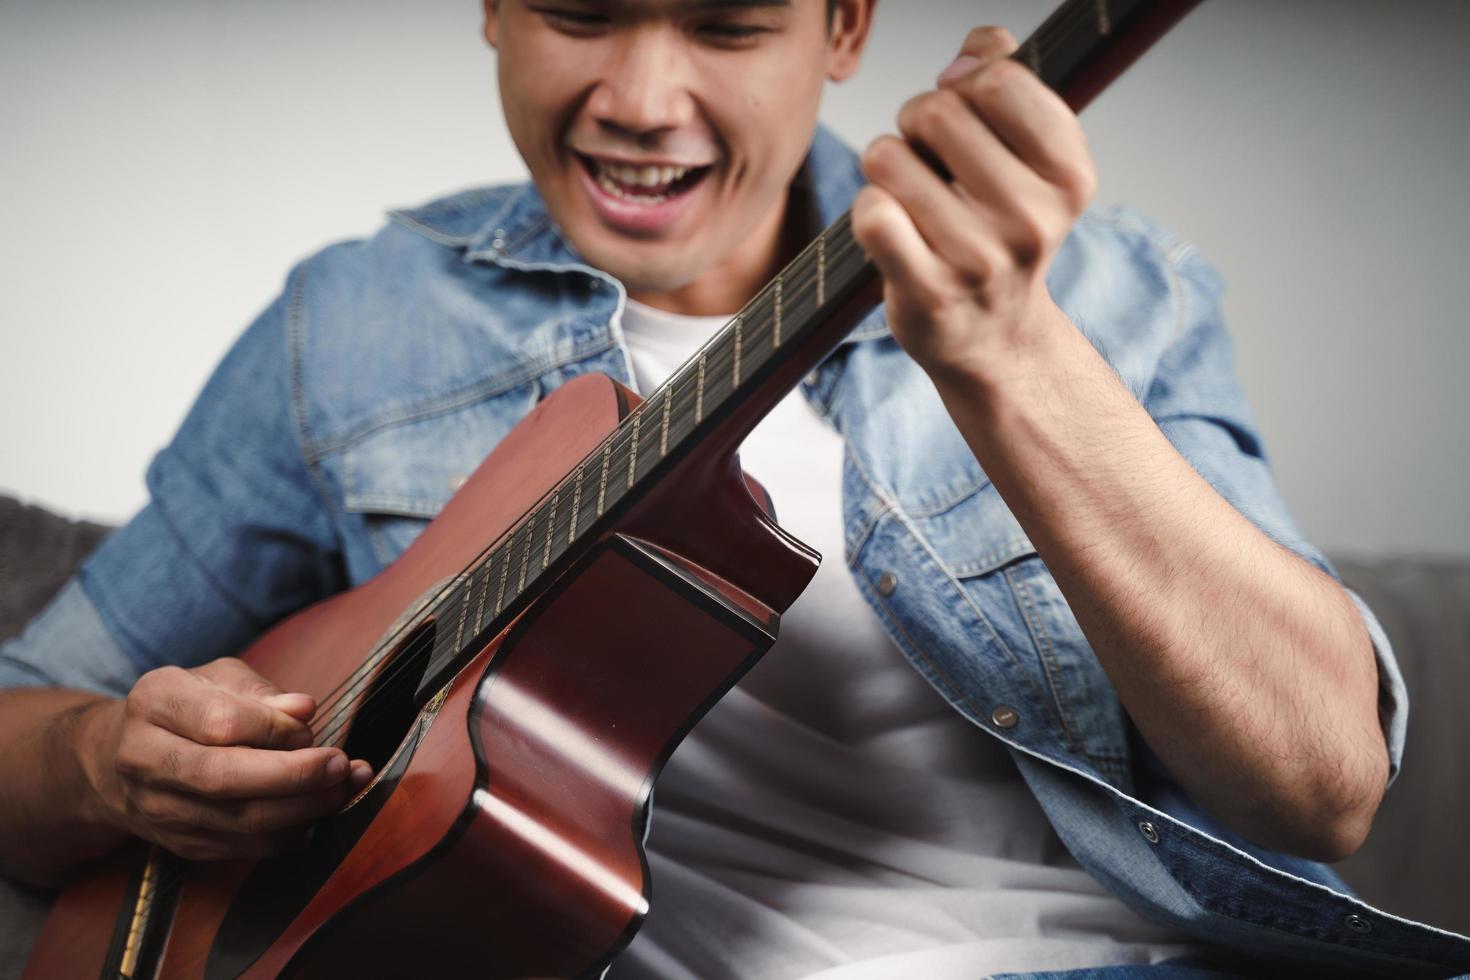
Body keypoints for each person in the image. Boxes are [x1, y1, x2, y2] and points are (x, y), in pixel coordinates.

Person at [0, 0, 1462, 976]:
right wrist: (106, 763)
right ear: (493, 7)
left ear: (840, 26)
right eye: (578, 8)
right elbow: (32, 722)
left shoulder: (1102, 289)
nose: (641, 99)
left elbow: (1321, 785)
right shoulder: (355, 322)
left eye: (724, 21)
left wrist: (1012, 359)